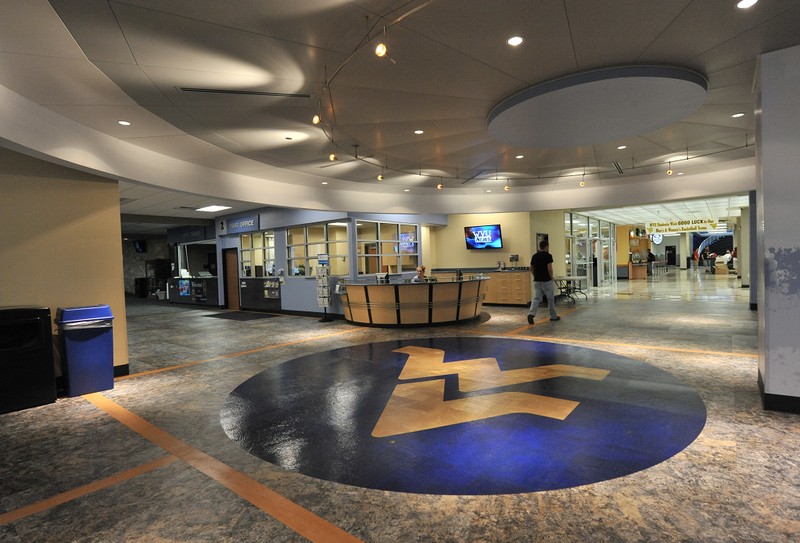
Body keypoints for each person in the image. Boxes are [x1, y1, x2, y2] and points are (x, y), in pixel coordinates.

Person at [527, 240, 560, 324]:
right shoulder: (548, 256)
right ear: (546, 246)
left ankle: (531, 314)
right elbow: (549, 269)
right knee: (550, 299)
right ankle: (553, 316)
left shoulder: (534, 256)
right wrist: (551, 277)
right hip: (546, 281)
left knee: (536, 299)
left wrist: (535, 276)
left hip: (537, 281)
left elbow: (531, 268)